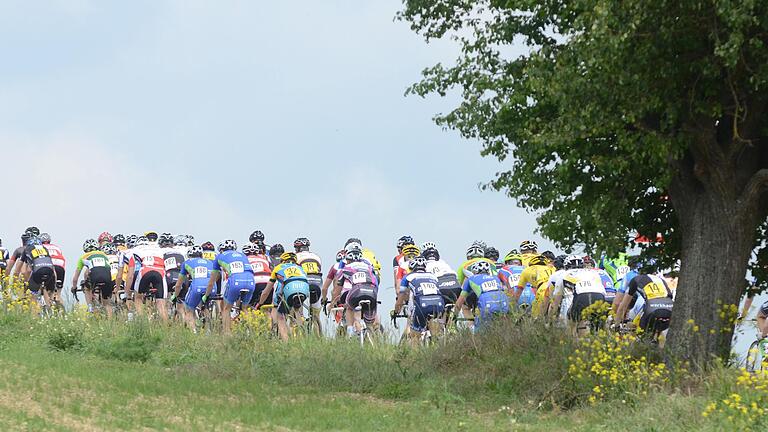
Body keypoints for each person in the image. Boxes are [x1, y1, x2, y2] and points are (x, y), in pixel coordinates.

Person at [204, 240, 255, 334]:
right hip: (250, 280)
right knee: (245, 309)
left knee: (226, 309)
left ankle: (227, 334)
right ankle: (249, 333)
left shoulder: (219, 257)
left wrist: (206, 295)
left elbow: (212, 281)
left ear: (221, 250)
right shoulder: (242, 255)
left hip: (235, 280)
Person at [256, 251, 309, 341]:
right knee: (297, 309)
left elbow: (267, 291)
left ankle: (286, 342)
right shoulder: (300, 268)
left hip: (290, 287)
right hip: (304, 288)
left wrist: (260, 303)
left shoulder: (278, 268)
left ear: (283, 261)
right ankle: (301, 336)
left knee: (280, 316)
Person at [549, 255, 606, 335]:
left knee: (572, 325)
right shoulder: (592, 272)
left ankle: (574, 344)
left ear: (565, 267)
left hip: (581, 296)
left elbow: (555, 303)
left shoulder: (564, 275)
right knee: (598, 328)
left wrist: (549, 320)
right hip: (600, 296)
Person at [331, 243, 379, 337]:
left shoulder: (346, 268)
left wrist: (333, 303)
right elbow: (376, 282)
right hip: (372, 292)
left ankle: (350, 331)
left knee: (349, 307)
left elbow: (337, 289)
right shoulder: (369, 267)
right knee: (370, 323)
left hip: (357, 291)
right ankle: (372, 338)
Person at [394, 257, 445, 343]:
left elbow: (401, 297)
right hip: (438, 303)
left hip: (422, 304)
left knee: (415, 336)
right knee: (435, 333)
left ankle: (415, 355)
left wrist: (396, 311)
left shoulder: (408, 277)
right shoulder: (433, 276)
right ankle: (437, 345)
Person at [124, 235, 169, 320]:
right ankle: (166, 328)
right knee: (161, 303)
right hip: (160, 272)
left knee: (138, 298)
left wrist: (127, 293)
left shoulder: (134, 250)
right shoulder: (158, 249)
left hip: (145, 270)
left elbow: (130, 275)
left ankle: (142, 321)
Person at [615, 272, 674, 336]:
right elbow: (669, 297)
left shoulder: (635, 279)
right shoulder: (661, 280)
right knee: (661, 335)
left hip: (651, 307)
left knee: (636, 333)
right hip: (669, 307)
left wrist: (617, 326)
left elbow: (623, 306)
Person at [454, 260, 509, 329]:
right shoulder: (495, 278)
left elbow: (459, 302)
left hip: (486, 303)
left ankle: (473, 332)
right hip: (503, 302)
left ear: (474, 272)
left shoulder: (470, 279)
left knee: (480, 331)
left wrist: (454, 317)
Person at [172, 245, 214, 330]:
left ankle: (193, 332)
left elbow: (178, 284)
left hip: (197, 286)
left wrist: (174, 296)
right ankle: (208, 329)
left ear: (189, 256)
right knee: (205, 304)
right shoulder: (209, 262)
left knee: (189, 309)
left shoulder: (186, 263)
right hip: (212, 287)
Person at [71, 239, 114, 317]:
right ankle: (110, 323)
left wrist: (74, 288)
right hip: (107, 276)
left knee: (86, 286)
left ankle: (90, 307)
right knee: (107, 303)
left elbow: (75, 278)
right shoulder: (104, 254)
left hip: (95, 276)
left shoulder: (83, 257)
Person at [16, 236, 57, 309]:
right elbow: (53, 269)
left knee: (32, 295)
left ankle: (35, 316)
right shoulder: (45, 249)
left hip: (38, 271)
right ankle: (51, 311)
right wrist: (55, 283)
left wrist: (25, 283)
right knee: (45, 290)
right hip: (50, 271)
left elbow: (22, 271)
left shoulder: (27, 250)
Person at [294, 237, 323, 335]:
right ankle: (318, 334)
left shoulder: (295, 256)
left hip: (304, 281)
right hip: (317, 281)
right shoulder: (316, 256)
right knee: (315, 313)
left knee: (298, 307)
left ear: (297, 248)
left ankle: (300, 320)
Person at [243, 242, 271, 309]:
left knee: (247, 307)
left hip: (254, 281)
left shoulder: (244, 259)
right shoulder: (264, 258)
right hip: (268, 281)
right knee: (266, 308)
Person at [160, 233, 184, 303]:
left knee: (164, 294)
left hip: (168, 274)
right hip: (181, 275)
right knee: (182, 300)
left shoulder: (160, 251)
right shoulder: (179, 251)